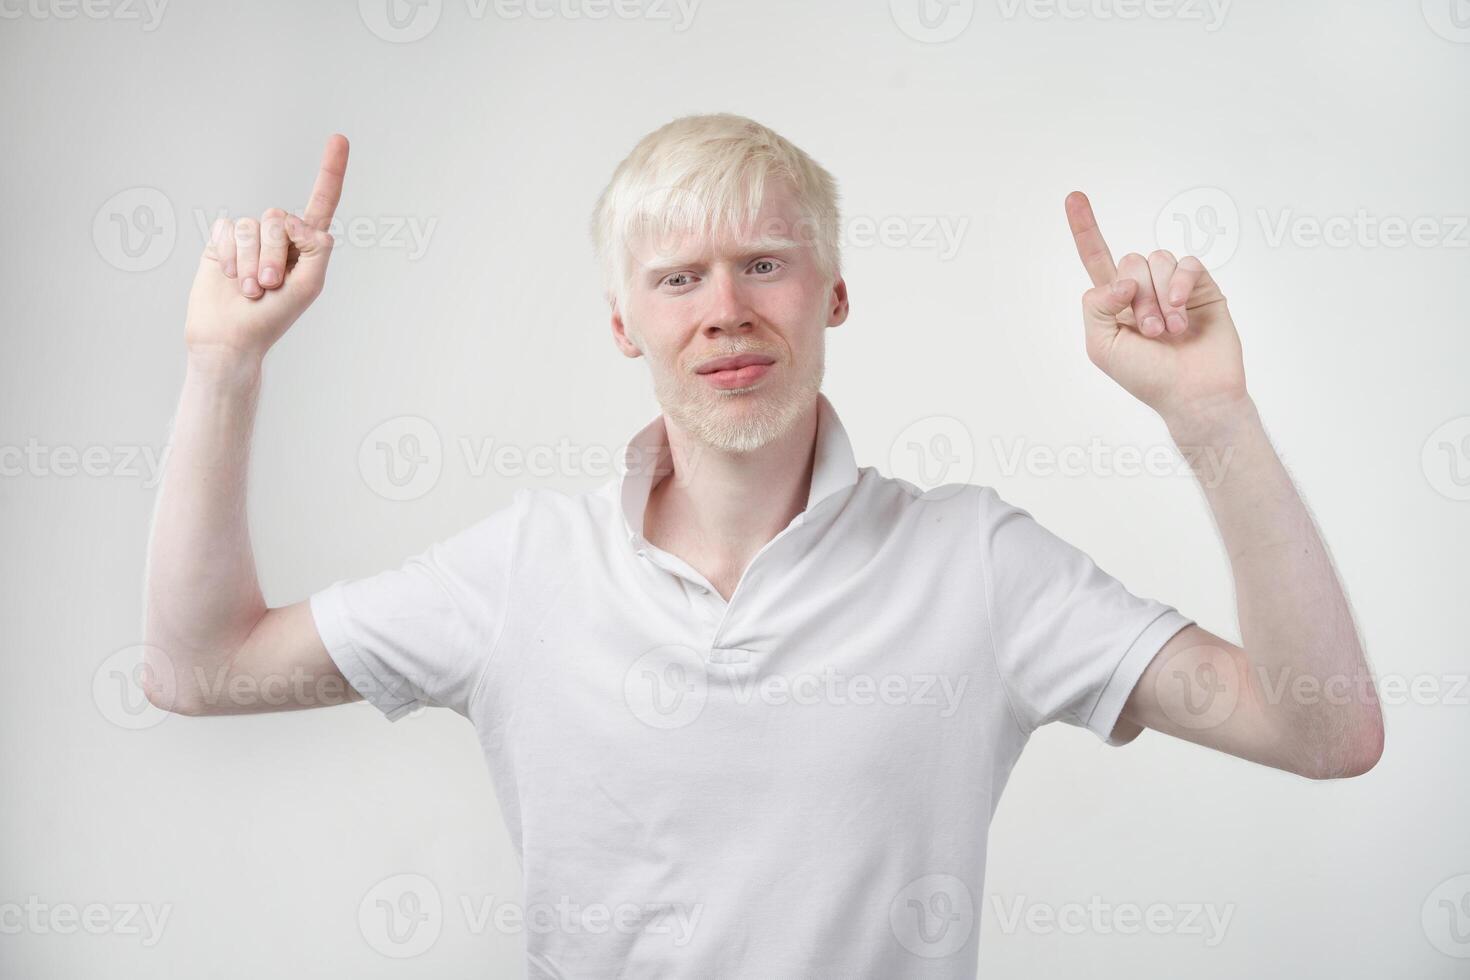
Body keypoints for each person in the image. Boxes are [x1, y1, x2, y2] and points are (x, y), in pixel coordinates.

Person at [142, 113, 1383, 977]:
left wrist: (1210, 415)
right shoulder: (524, 569)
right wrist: (223, 364)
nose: (726, 308)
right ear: (622, 322)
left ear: (833, 291)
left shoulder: (977, 564)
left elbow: (1322, 730)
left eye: (765, 263)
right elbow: (201, 670)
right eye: (678, 277)